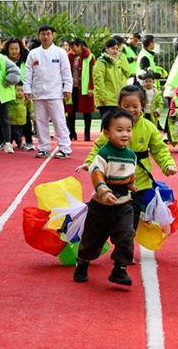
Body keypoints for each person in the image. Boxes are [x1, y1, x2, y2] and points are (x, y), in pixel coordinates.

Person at [76, 85, 177, 231]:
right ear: (119, 106)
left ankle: (123, 249)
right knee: (109, 218)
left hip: (139, 184)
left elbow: (160, 149)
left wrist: (168, 165)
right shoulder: (113, 125)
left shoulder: (149, 127)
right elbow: (98, 147)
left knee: (131, 222)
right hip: (114, 181)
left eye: (135, 106)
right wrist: (90, 162)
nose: (131, 110)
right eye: (126, 106)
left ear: (142, 105)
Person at [73, 109, 137, 286]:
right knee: (92, 239)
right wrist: (104, 191)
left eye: (128, 129)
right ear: (107, 133)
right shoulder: (104, 153)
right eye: (119, 130)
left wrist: (131, 185)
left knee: (127, 235)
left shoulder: (131, 155)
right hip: (101, 205)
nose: (125, 134)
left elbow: (130, 173)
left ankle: (119, 269)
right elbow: (97, 173)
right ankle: (82, 262)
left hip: (123, 204)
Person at [24, 25, 73, 159]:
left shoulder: (60, 52)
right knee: (40, 122)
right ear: (39, 36)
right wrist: (27, 90)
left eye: (48, 34)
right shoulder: (33, 53)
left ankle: (65, 148)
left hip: (55, 94)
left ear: (53, 35)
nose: (45, 37)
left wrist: (67, 88)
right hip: (38, 94)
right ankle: (43, 147)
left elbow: (66, 72)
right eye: (43, 34)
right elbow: (28, 74)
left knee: (59, 121)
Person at [93, 39, 127, 129]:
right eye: (113, 48)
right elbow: (98, 81)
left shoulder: (117, 63)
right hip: (106, 100)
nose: (115, 51)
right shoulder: (101, 62)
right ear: (107, 49)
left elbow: (125, 75)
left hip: (116, 100)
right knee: (106, 126)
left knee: (114, 126)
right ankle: (102, 143)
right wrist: (102, 97)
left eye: (117, 49)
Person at [66, 38, 96, 141]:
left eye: (74, 47)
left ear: (80, 46)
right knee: (71, 111)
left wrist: (91, 87)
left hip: (84, 88)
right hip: (71, 87)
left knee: (87, 112)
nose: (72, 49)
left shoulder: (90, 57)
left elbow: (93, 73)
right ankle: (72, 133)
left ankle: (86, 134)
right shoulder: (68, 56)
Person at [8, 84, 28, 149]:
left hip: (22, 120)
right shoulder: (11, 99)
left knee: (19, 133)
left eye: (21, 91)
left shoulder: (25, 99)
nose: (19, 92)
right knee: (14, 132)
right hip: (12, 119)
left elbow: (30, 105)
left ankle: (17, 143)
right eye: (18, 91)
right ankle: (18, 142)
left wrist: (32, 113)